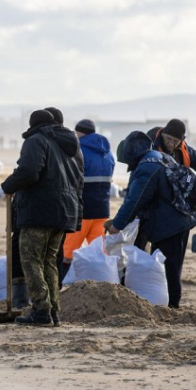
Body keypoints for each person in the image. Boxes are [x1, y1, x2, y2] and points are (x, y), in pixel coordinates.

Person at [1, 109, 83, 326]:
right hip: (65, 211)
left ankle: (41, 311)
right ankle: (53, 311)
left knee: (31, 260)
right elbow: (78, 180)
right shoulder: (72, 145)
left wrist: (8, 186)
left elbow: (29, 171)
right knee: (49, 261)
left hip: (39, 211)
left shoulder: (37, 140)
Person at [108, 131, 196, 309]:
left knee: (167, 266)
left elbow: (135, 200)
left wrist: (117, 225)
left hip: (168, 224)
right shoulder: (161, 157)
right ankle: (170, 303)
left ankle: (172, 306)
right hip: (181, 218)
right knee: (172, 265)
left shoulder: (147, 167)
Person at [61, 118, 115, 282]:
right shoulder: (107, 153)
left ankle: (59, 287)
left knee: (67, 253)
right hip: (102, 210)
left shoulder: (78, 150)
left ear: (79, 132)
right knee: (99, 252)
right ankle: (104, 283)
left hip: (82, 212)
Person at [150, 119, 196, 187]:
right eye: (168, 138)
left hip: (176, 189)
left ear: (181, 141)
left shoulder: (184, 150)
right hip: (152, 187)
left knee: (190, 178)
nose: (171, 144)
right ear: (162, 134)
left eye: (175, 141)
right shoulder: (148, 146)